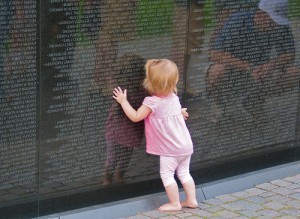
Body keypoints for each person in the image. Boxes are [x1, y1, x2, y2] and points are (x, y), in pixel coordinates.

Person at [112, 59, 198, 211]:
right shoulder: (173, 96)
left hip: (170, 150)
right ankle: (191, 200)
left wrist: (123, 101)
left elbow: (136, 116)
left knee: (167, 175)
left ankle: (175, 203)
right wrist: (180, 112)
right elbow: (172, 111)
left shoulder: (151, 102)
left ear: (150, 82)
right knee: (184, 173)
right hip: (185, 145)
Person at [206, 0, 299, 121]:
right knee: (216, 71)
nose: (275, 26)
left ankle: (254, 101)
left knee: (294, 73)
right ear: (260, 15)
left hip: (261, 71)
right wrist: (248, 67)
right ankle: (218, 104)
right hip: (233, 70)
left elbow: (289, 54)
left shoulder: (279, 25)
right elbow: (215, 54)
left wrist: (270, 65)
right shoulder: (238, 20)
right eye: (272, 21)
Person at [103, 54, 146, 185]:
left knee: (126, 155)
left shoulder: (142, 90)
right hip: (118, 128)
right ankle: (107, 178)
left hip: (132, 129)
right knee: (112, 156)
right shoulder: (120, 90)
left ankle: (119, 175)